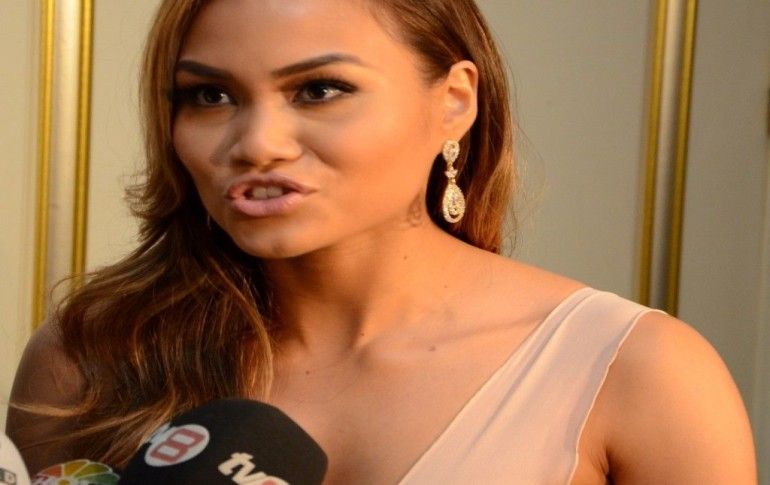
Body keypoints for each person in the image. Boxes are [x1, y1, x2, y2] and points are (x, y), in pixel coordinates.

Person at [7, 0, 757, 483]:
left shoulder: (640, 374)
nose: (256, 142)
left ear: (454, 102)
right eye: (210, 95)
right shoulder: (90, 357)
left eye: (319, 89)